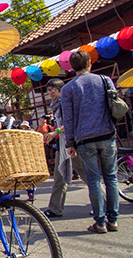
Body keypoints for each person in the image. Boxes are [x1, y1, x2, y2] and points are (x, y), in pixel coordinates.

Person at [61, 49, 119, 233]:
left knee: (94, 180)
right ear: (89, 63)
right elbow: (114, 102)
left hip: (84, 139)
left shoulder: (68, 88)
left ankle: (100, 222)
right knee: (111, 177)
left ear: (71, 67)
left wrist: (70, 143)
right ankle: (113, 220)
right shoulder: (104, 80)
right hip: (107, 133)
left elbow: (68, 119)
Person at [42, 78, 87, 218]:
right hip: (64, 144)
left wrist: (55, 132)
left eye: (52, 90)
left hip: (73, 143)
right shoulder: (56, 104)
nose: (50, 93)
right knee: (59, 175)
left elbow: (69, 123)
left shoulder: (65, 103)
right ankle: (55, 208)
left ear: (60, 90)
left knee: (87, 175)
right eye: (48, 90)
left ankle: (103, 204)